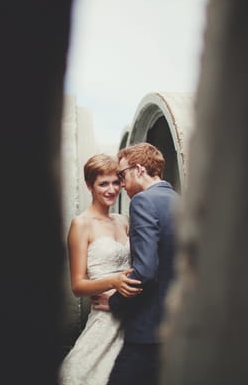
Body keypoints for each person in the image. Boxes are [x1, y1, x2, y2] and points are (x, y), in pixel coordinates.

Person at [92, 142, 179, 385]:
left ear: (138, 169)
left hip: (147, 331)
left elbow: (146, 271)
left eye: (122, 175)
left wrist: (115, 301)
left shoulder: (143, 202)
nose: (120, 184)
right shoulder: (178, 201)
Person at [58, 153, 143, 385]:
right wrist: (113, 281)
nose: (112, 189)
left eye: (116, 182)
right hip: (104, 319)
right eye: (103, 184)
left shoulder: (122, 221)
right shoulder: (81, 224)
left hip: (131, 317)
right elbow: (77, 286)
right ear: (89, 186)